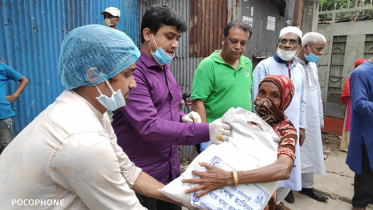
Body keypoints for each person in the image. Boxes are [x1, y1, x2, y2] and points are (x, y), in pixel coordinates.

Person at [0, 24, 187, 210]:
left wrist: (185, 199)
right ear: (93, 74)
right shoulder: (84, 140)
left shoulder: (88, 108)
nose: (134, 84)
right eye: (127, 74)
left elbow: (128, 171)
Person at [111, 5, 231, 210]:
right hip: (140, 175)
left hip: (169, 169)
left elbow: (164, 108)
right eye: (169, 37)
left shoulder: (164, 67)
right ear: (147, 34)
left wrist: (180, 116)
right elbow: (149, 125)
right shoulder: (134, 73)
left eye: (177, 39)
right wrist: (206, 130)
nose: (175, 45)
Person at [183, 74, 298, 210]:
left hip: (253, 195)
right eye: (262, 93)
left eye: (274, 96)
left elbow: (283, 169)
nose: (265, 100)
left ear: (284, 101)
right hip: (221, 187)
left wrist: (230, 178)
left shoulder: (286, 131)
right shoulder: (246, 120)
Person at [252, 26, 306, 210]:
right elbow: (257, 99)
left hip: (291, 123)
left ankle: (275, 200)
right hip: (264, 125)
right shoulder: (265, 66)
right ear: (277, 44)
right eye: (284, 41)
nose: (287, 45)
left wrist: (302, 126)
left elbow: (302, 101)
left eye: (292, 42)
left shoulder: (300, 68)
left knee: (286, 167)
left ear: (299, 46)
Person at [191, 20, 253, 153]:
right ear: (223, 39)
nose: (238, 47)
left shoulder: (247, 63)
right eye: (233, 41)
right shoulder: (208, 65)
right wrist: (205, 135)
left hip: (242, 133)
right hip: (217, 135)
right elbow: (197, 103)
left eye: (243, 43)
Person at [295, 32, 328, 202]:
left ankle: (307, 186)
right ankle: (288, 189)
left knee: (312, 151)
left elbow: (317, 93)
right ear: (306, 47)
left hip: (312, 119)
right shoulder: (293, 66)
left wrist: (320, 118)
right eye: (319, 49)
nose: (321, 53)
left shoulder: (312, 66)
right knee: (294, 152)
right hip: (297, 118)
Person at [346, 56, 373, 210]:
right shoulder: (361, 73)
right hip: (366, 133)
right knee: (365, 173)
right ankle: (359, 205)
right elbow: (359, 103)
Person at [0, 61, 28, 154]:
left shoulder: (3, 69)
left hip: (3, 115)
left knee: (6, 145)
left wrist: (15, 95)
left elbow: (24, 80)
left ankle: (8, 167)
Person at [340, 59, 367, 152]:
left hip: (364, 103)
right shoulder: (353, 76)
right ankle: (347, 145)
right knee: (350, 122)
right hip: (353, 101)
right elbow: (348, 91)